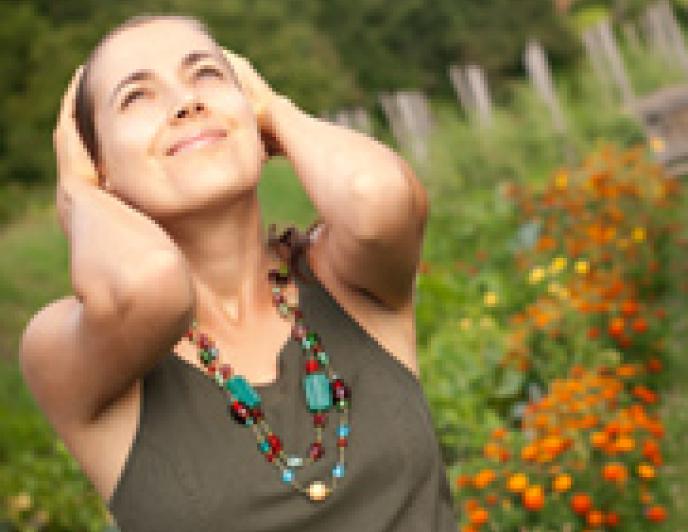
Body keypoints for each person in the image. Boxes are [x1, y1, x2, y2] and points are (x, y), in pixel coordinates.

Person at [18, 13, 459, 531]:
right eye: (137, 96)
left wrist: (277, 113)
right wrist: (78, 191)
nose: (187, 102)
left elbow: (375, 195)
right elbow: (148, 287)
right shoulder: (67, 350)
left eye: (205, 73)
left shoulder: (347, 281)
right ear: (100, 166)